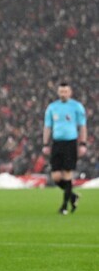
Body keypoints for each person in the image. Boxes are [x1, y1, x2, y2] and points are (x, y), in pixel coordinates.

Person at [42, 82, 88, 215]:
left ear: (70, 92)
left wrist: (83, 143)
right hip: (57, 143)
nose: (63, 94)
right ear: (58, 92)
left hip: (70, 143)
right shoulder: (52, 107)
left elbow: (82, 126)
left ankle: (64, 207)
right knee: (56, 177)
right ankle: (73, 196)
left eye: (66, 91)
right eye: (61, 91)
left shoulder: (77, 107)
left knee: (68, 174)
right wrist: (45, 143)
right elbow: (47, 126)